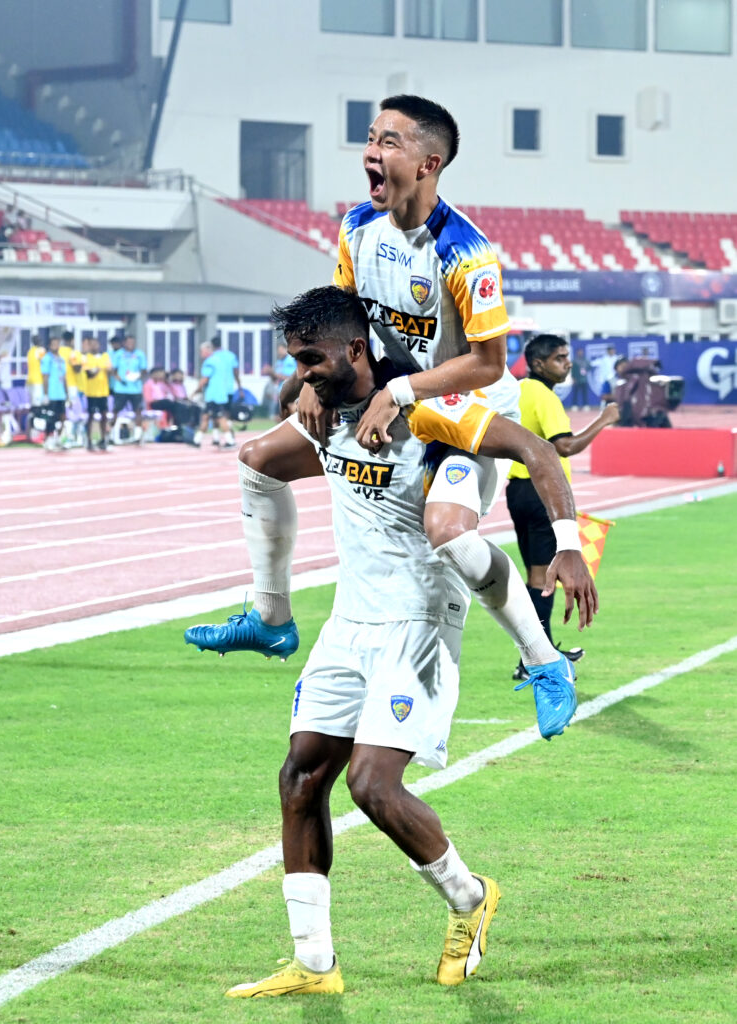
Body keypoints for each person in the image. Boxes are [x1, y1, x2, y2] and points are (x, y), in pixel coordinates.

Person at [196, 288, 594, 999]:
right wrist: (301, 396)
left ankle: (470, 897)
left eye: (313, 361)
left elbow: (534, 448)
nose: (302, 376)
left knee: (372, 785)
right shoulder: (319, 414)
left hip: (419, 617)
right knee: (300, 778)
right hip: (349, 619)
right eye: (294, 363)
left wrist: (568, 545)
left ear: (356, 350)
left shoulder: (425, 412)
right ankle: (314, 965)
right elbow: (261, 456)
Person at [186, 95, 589, 710]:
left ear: (428, 164)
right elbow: (341, 313)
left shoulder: (466, 254)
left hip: (461, 406)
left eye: (390, 142)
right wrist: (310, 385)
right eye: (371, 138)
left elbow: (485, 362)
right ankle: (271, 620)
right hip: (391, 398)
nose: (372, 152)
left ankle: (544, 661)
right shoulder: (357, 227)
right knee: (257, 460)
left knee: (448, 532)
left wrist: (570, 544)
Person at [507, 334, 619, 680]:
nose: (567, 363)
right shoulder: (543, 396)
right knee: (543, 579)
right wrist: (603, 419)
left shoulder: (521, 390)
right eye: (559, 358)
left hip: (518, 490)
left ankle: (539, 651)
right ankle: (534, 660)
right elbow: (565, 446)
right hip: (541, 495)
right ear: (538, 364)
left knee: (535, 577)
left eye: (567, 357)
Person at [192, 335, 240, 449]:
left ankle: (229, 440)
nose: (200, 354)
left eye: (202, 351)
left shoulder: (209, 362)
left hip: (214, 395)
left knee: (219, 417)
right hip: (221, 393)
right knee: (207, 416)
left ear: (209, 349)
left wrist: (195, 391)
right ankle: (197, 440)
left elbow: (205, 379)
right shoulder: (220, 360)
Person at [110, 334, 147, 442]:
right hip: (121, 388)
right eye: (129, 342)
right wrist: (119, 379)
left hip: (135, 388)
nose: (131, 345)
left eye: (132, 342)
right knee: (116, 410)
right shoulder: (118, 354)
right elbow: (113, 370)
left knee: (138, 410)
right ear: (124, 343)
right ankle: (112, 434)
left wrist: (138, 376)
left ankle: (138, 435)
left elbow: (144, 370)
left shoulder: (139, 354)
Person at [82, 336, 111, 451]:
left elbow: (110, 370)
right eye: (92, 344)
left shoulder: (105, 356)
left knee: (104, 416)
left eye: (96, 344)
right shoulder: (86, 358)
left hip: (103, 391)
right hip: (91, 392)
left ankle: (103, 439)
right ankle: (89, 440)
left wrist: (103, 368)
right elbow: (89, 374)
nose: (94, 346)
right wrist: (99, 368)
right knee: (91, 417)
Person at [40, 335, 68, 452]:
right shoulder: (47, 358)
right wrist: (45, 394)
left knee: (62, 417)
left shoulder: (61, 359)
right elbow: (45, 377)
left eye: (57, 343)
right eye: (54, 344)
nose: (56, 346)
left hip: (61, 394)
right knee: (50, 418)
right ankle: (48, 439)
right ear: (49, 346)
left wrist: (67, 394)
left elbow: (65, 377)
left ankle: (58, 439)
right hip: (51, 393)